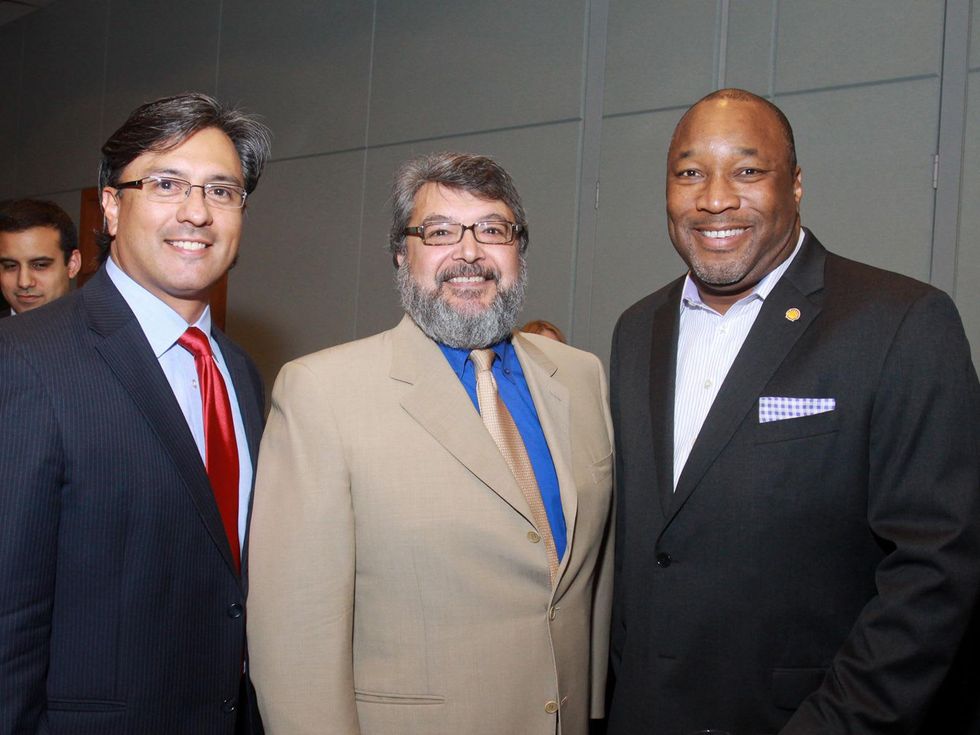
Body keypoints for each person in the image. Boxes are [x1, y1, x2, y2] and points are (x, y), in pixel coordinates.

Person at [607, 88, 980, 734]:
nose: (715, 197)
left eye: (748, 171)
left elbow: (935, 571)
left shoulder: (901, 322)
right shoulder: (636, 329)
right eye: (689, 172)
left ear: (797, 184)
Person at [248, 152, 615, 735]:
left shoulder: (581, 377)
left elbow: (589, 584)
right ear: (402, 254)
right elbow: (293, 633)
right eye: (439, 231)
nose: (469, 252)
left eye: (492, 230)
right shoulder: (322, 392)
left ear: (519, 250)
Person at [0, 92, 271, 734]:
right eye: (167, 183)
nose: (197, 212)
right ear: (113, 207)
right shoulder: (25, 361)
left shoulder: (241, 374)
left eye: (222, 190)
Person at [0, 199, 81, 316]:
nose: (24, 282)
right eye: (10, 266)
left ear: (73, 265)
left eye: (40, 265)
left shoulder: (106, 329)